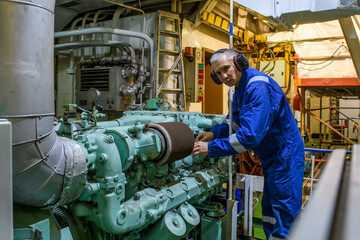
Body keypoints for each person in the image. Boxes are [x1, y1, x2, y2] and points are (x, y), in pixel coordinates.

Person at [193, 49, 304, 239]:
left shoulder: (257, 87)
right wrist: (213, 134)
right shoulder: (240, 89)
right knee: (270, 208)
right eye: (218, 73)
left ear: (239, 63)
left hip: (285, 157)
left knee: (284, 211)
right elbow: (233, 122)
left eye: (226, 68)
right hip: (271, 157)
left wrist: (211, 149)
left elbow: (250, 137)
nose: (224, 76)